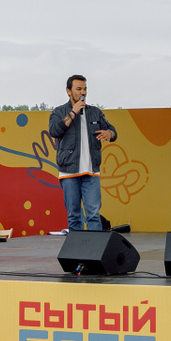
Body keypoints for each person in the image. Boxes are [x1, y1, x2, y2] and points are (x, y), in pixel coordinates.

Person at [46, 74, 115, 232]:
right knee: (74, 215)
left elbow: (113, 131)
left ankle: (95, 247)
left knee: (93, 215)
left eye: (85, 89)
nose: (83, 92)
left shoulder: (95, 112)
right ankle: (76, 247)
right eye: (78, 89)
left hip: (91, 172)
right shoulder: (59, 112)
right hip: (69, 172)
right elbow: (54, 131)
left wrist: (109, 134)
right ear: (68, 91)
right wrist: (73, 112)